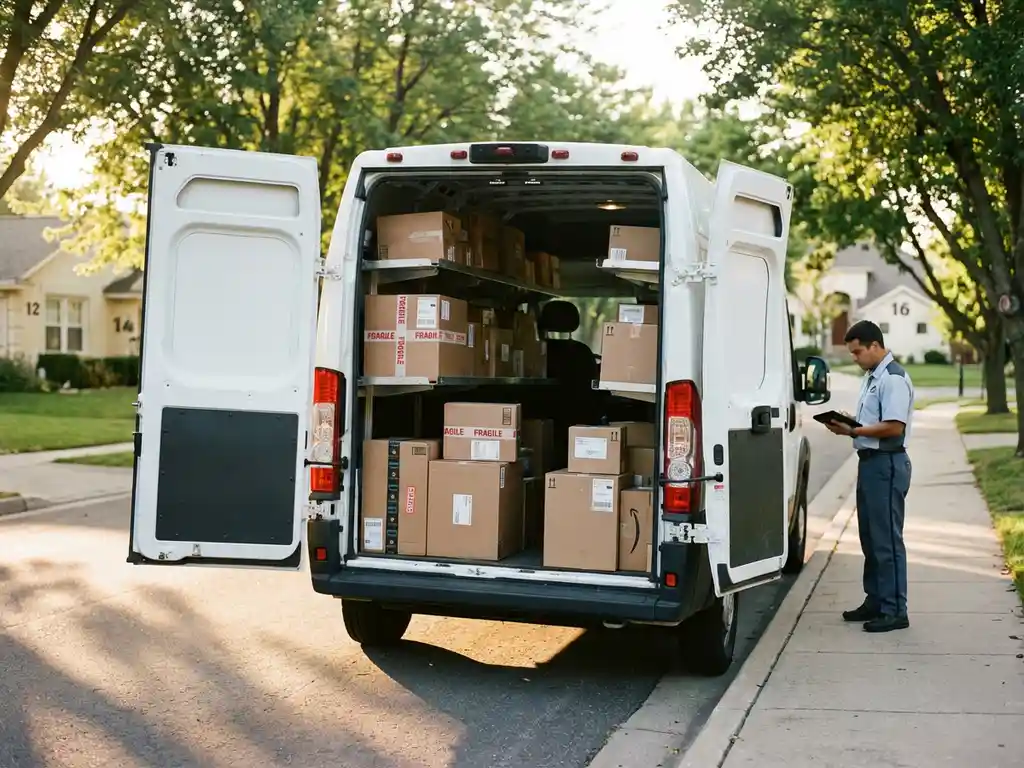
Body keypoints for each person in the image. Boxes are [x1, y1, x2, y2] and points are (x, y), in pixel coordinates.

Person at [824, 320, 914, 633]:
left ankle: (894, 610)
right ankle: (875, 600)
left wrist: (855, 430)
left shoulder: (893, 379)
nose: (855, 358)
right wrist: (851, 425)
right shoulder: (872, 377)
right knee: (871, 538)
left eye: (858, 352)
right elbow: (872, 420)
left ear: (875, 345)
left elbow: (894, 426)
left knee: (887, 539)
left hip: (887, 463)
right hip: (870, 462)